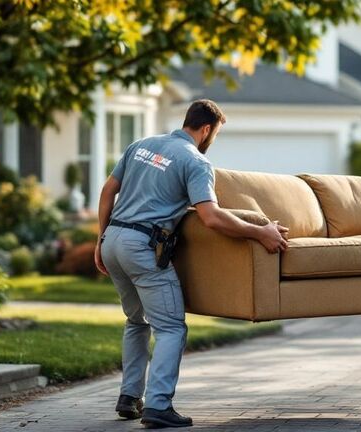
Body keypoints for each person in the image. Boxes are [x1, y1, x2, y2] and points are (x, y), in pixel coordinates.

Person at [95, 99, 289, 428]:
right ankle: (157, 406)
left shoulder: (141, 145)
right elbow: (211, 218)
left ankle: (129, 398)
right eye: (215, 133)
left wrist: (100, 240)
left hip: (113, 239)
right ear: (206, 129)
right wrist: (260, 232)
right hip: (141, 246)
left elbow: (108, 190)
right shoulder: (195, 162)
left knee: (136, 320)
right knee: (171, 328)